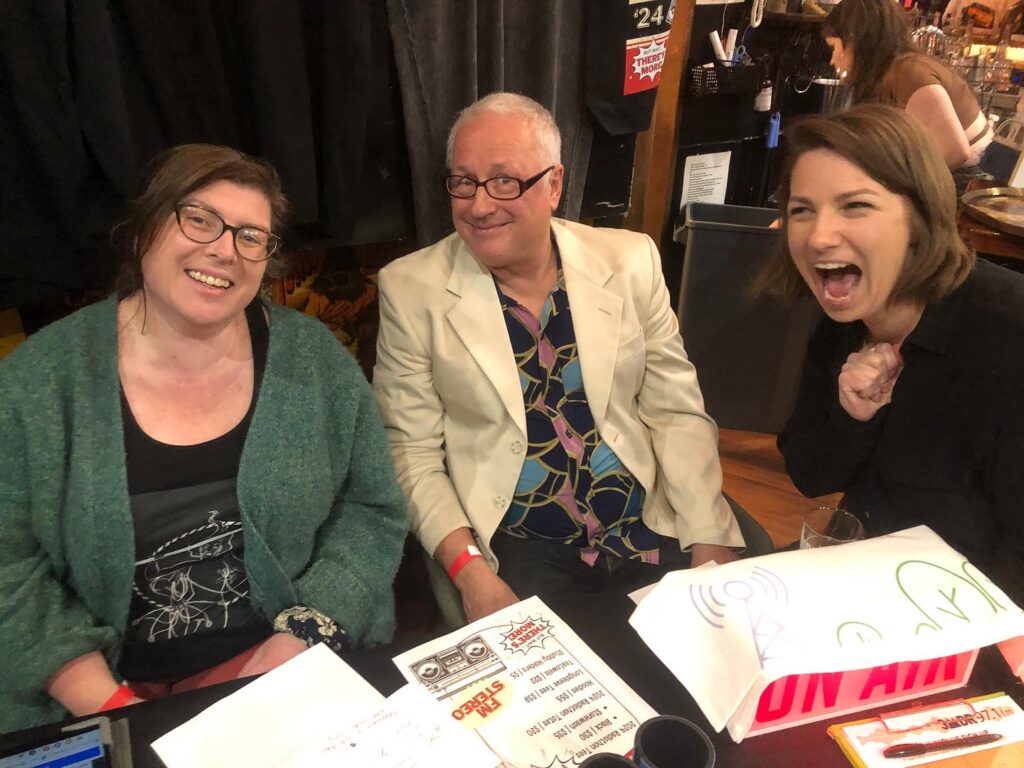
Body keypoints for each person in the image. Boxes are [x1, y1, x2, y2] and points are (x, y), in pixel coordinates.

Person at [0, 144, 408, 731]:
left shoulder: (313, 358)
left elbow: (371, 509)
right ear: (143, 229)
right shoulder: (35, 382)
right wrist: (111, 708)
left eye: (251, 236)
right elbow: (9, 567)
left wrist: (297, 640)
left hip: (288, 663)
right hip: (97, 690)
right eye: (198, 219)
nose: (223, 249)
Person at [372, 92, 746, 624]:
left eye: (505, 181)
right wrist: (471, 572)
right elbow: (409, 452)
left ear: (554, 185)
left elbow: (675, 412)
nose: (480, 205)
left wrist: (708, 535)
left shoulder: (629, 260)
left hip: (649, 523)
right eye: (463, 182)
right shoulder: (412, 289)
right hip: (520, 546)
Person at [758, 104, 1024, 605]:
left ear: (920, 218)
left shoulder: (1008, 336)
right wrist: (852, 417)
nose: (818, 235)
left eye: (855, 205)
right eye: (801, 209)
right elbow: (810, 473)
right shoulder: (840, 326)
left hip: (964, 616)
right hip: (862, 575)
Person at [822, 0, 992, 175]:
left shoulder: (907, 73)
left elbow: (954, 152)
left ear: (853, 41)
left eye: (833, 47)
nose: (832, 60)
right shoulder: (890, 73)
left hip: (970, 182)